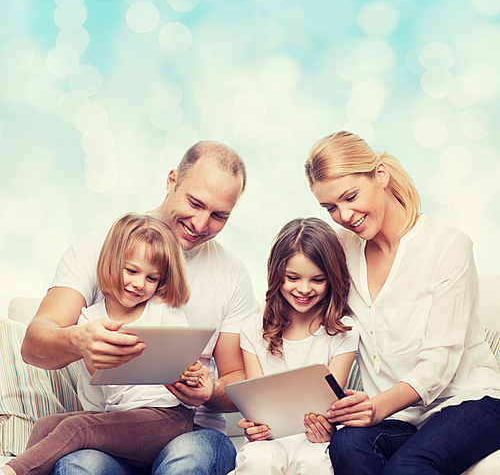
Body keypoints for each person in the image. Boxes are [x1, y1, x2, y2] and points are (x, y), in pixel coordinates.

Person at [22, 141, 255, 475]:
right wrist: (79, 341)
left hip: (190, 430)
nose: (202, 223)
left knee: (189, 460)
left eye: (219, 216)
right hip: (110, 432)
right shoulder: (98, 249)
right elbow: (34, 345)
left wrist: (208, 390)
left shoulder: (232, 275)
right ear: (171, 180)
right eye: (195, 203)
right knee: (80, 466)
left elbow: (236, 382)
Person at [304, 130, 500, 475]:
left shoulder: (448, 246)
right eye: (330, 207)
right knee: (346, 444)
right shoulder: (342, 250)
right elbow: (314, 325)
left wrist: (376, 408)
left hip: (469, 402)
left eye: (350, 197)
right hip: (401, 416)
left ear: (381, 174)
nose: (345, 215)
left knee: (408, 467)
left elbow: (440, 363)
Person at [3, 213, 206, 475]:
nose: (138, 284)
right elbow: (97, 388)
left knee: (76, 428)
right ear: (111, 262)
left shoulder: (164, 311)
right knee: (45, 424)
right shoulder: (90, 318)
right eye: (131, 270)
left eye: (151, 278)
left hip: (168, 418)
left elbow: (185, 364)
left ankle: (12, 471)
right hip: (120, 419)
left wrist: (195, 377)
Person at [234, 217, 359, 474]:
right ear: (277, 275)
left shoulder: (343, 330)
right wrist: (255, 427)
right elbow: (256, 405)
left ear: (332, 278)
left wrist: (325, 428)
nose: (304, 289)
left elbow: (330, 405)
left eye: (317, 279)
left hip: (315, 439)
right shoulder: (252, 329)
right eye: (292, 277)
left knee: (316, 463)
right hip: (269, 439)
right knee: (257, 459)